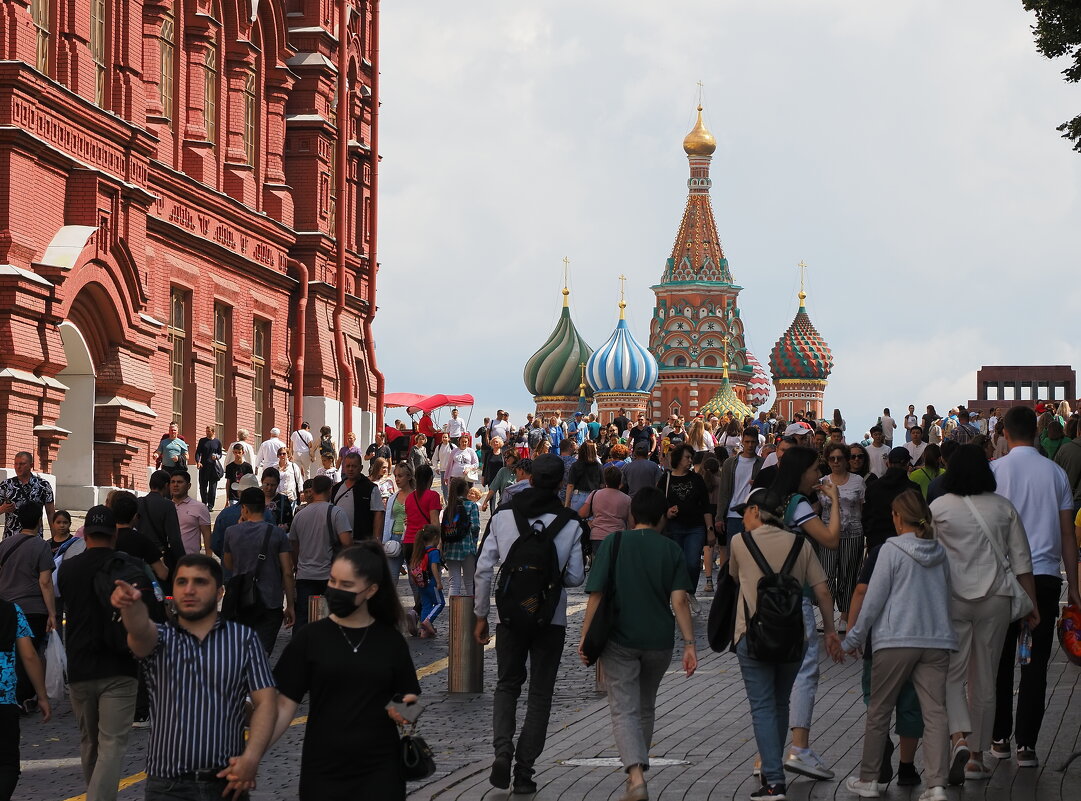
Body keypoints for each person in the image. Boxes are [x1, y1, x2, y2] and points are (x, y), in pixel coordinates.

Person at [109, 554, 276, 800]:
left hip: (226, 783)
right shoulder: (162, 638)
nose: (189, 590)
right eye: (181, 582)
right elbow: (139, 632)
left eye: (200, 582)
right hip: (167, 786)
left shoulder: (244, 640)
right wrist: (131, 607)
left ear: (220, 593)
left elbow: (266, 702)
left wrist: (251, 757)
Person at [270, 543, 421, 800]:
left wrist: (404, 711)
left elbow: (411, 700)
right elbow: (283, 704)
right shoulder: (310, 639)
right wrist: (251, 753)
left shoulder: (390, 642)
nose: (335, 590)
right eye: (333, 581)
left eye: (347, 585)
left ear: (371, 590)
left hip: (380, 769)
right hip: (323, 768)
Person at [474, 454, 586, 795]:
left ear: (529, 478)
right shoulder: (570, 522)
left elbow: (483, 569)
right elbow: (575, 577)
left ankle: (502, 752)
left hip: (509, 617)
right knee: (540, 693)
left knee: (507, 685)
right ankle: (525, 770)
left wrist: (481, 616)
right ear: (560, 484)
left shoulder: (504, 515)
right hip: (549, 619)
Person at [577, 487, 697, 801]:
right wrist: (689, 644)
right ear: (661, 517)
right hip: (658, 641)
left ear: (633, 516)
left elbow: (597, 595)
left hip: (619, 639)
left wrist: (585, 636)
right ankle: (637, 775)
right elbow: (680, 600)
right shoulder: (670, 549)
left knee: (624, 710)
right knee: (645, 708)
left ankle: (636, 776)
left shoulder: (615, 543)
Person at [841, 490, 957, 801]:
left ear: (897, 517)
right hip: (935, 641)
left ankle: (870, 779)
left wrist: (852, 639)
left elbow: (873, 599)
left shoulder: (891, 550)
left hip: (895, 640)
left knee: (879, 710)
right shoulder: (940, 552)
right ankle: (936, 785)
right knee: (935, 712)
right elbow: (948, 599)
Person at [930, 444, 1036, 783]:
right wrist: (1031, 606)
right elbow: (1022, 562)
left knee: (950, 674)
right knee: (985, 678)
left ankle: (958, 737)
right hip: (996, 599)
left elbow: (928, 555)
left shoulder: (939, 507)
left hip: (951, 599)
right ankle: (977, 756)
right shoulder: (1003, 508)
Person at [729, 487, 838, 800]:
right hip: (793, 638)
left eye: (745, 512)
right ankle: (772, 771)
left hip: (752, 636)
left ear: (755, 512)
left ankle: (774, 779)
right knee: (779, 704)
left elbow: (735, 578)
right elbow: (822, 591)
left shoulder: (740, 542)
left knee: (763, 707)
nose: (743, 518)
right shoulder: (800, 543)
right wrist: (830, 631)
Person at [990, 405, 1081, 768]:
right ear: (1036, 431)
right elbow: (1067, 534)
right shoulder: (1055, 473)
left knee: (999, 662)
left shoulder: (994, 471)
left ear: (1006, 434)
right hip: (1043, 577)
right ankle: (1027, 744)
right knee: (1036, 663)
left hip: (1000, 577)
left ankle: (998, 738)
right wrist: (1073, 585)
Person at [57, 505, 143, 801]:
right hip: (119, 665)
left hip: (80, 664)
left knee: (89, 742)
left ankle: (95, 793)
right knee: (112, 745)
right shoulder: (128, 566)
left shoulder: (68, 568)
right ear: (113, 535)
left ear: (86, 534)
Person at [765, 446, 841, 781]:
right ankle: (800, 748)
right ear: (800, 472)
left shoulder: (768, 501)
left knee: (776, 679)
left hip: (767, 599)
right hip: (796, 598)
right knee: (805, 672)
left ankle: (765, 755)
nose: (818, 476)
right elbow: (831, 539)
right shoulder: (797, 505)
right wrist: (834, 502)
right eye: (814, 470)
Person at [223, 487, 296, 655]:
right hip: (271, 602)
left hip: (241, 601)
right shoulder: (277, 534)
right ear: (264, 507)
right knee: (262, 654)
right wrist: (290, 605)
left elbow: (228, 564)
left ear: (244, 508)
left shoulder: (231, 532)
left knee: (241, 652)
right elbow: (287, 572)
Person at [0, 502, 56, 709]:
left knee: (10, 652)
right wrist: (52, 613)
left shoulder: (5, 544)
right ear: (39, 520)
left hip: (6, 607)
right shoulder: (42, 546)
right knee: (30, 653)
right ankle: (24, 696)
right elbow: (45, 582)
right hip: (33, 608)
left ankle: (11, 693)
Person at [290, 475, 352, 631]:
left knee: (303, 618)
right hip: (329, 575)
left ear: (313, 490)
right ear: (330, 490)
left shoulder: (299, 515)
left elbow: (294, 545)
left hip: (305, 575)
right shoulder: (336, 513)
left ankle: (301, 650)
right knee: (330, 620)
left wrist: (298, 565)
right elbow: (347, 543)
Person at [818, 442, 866, 635]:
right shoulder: (822, 482)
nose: (836, 462)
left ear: (847, 460)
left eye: (839, 458)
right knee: (827, 574)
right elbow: (819, 507)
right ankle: (827, 616)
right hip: (828, 533)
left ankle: (845, 617)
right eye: (832, 458)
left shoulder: (858, 481)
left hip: (853, 533)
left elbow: (861, 507)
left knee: (848, 574)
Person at [657, 444, 713, 604]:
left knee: (693, 562)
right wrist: (667, 512)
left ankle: (690, 592)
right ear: (678, 459)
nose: (690, 461)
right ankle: (677, 595)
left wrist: (710, 530)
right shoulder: (665, 479)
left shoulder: (697, 478)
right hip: (673, 528)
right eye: (687, 457)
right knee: (675, 564)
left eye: (691, 458)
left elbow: (705, 505)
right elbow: (659, 503)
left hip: (695, 527)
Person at [716, 428, 765, 560]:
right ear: (742, 441)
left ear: (757, 443)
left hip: (754, 515)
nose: (750, 445)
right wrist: (719, 516)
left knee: (754, 555)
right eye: (747, 441)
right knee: (734, 555)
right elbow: (724, 491)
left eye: (753, 442)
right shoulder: (730, 464)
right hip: (733, 514)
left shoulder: (762, 464)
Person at [861, 448, 921, 551]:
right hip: (904, 544)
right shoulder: (913, 489)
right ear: (907, 464)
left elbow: (865, 516)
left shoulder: (873, 487)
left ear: (887, 463)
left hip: (877, 542)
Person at [136, 471, 184, 590]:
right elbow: (174, 538)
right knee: (164, 593)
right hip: (159, 557)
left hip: (140, 555)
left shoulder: (138, 502)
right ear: (166, 485)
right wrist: (183, 560)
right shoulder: (167, 505)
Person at [0, 452, 56, 541]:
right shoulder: (6, 485)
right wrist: (3, 509)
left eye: (22, 464)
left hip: (34, 538)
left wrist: (55, 538)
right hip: (11, 538)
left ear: (31, 465)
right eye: (16, 464)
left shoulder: (43, 485)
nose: (18, 467)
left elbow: (50, 513)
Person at [578, 466, 632, 554]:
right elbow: (631, 524)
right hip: (619, 537)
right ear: (620, 480)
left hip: (598, 536)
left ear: (605, 479)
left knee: (600, 564)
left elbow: (582, 513)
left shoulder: (595, 494)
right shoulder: (627, 499)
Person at [441, 478, 479, 598]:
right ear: (465, 490)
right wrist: (474, 543)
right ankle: (472, 613)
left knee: (454, 584)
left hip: (450, 548)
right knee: (469, 583)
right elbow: (475, 527)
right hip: (467, 548)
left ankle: (454, 614)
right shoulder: (471, 505)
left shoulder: (449, 507)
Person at [332, 453, 383, 543]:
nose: (350, 469)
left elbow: (378, 514)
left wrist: (376, 540)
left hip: (362, 542)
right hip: (338, 543)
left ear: (361, 468)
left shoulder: (371, 488)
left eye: (354, 466)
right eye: (348, 466)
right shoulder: (336, 488)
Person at [48, 509, 84, 634]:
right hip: (54, 587)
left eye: (65, 522)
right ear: (53, 524)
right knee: (56, 615)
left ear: (69, 524)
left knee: (72, 616)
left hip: (70, 585)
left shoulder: (75, 543)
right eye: (58, 522)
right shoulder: (48, 544)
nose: (62, 525)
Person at [409, 525, 445, 638]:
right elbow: (434, 567)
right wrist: (438, 582)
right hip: (431, 582)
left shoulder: (420, 551)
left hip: (421, 583)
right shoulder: (434, 552)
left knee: (426, 605)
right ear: (435, 537)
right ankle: (428, 621)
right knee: (440, 603)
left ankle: (423, 631)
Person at [170, 470, 211, 555]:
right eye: (173, 482)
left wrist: (208, 558)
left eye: (180, 482)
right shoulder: (166, 506)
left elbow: (207, 535)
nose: (175, 485)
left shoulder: (200, 507)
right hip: (168, 560)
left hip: (190, 559)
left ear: (188, 486)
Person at [565, 441, 603, 513]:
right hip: (594, 496)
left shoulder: (575, 465)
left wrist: (566, 503)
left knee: (576, 521)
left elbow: (570, 485)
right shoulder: (599, 466)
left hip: (579, 495)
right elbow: (602, 484)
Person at [194, 426, 224, 510]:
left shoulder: (217, 442)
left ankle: (210, 505)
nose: (207, 433)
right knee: (203, 486)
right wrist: (198, 462)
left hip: (213, 467)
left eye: (209, 431)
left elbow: (220, 454)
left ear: (213, 432)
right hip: (203, 466)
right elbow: (198, 452)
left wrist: (217, 457)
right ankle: (204, 503)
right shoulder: (202, 441)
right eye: (206, 431)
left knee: (212, 487)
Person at [260, 467, 296, 532]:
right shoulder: (256, 499)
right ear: (262, 481)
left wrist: (285, 526)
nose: (269, 488)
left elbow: (291, 522)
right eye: (267, 484)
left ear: (278, 484)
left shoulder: (283, 500)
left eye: (273, 485)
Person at [432, 432, 455, 500]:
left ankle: (452, 501)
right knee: (445, 488)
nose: (444, 438)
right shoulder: (438, 447)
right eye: (443, 437)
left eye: (446, 437)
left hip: (452, 470)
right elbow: (434, 458)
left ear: (449, 438)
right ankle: (446, 502)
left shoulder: (453, 446)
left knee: (452, 487)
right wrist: (436, 467)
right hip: (443, 471)